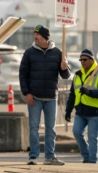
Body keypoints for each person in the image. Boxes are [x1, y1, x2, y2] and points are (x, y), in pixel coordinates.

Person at [19, 24, 70, 165]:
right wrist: (27, 93)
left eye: (38, 34)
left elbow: (65, 76)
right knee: (34, 128)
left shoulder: (58, 52)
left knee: (51, 129)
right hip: (34, 97)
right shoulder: (29, 53)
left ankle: (49, 156)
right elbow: (22, 75)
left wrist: (64, 69)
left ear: (45, 37)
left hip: (51, 98)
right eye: (34, 34)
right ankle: (33, 157)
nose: (35, 37)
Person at [65, 49, 98, 164]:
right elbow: (72, 94)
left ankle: (92, 160)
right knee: (76, 132)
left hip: (95, 111)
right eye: (80, 60)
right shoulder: (77, 75)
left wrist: (90, 93)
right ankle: (86, 156)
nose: (82, 62)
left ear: (92, 60)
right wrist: (68, 110)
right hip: (80, 111)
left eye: (85, 59)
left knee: (92, 137)